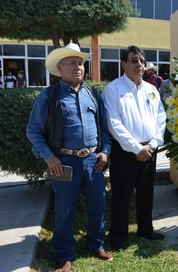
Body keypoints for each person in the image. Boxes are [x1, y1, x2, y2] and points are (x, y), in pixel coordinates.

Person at [26, 43, 113, 271]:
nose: (78, 67)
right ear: (60, 67)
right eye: (72, 63)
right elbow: (33, 131)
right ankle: (64, 255)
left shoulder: (93, 94)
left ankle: (97, 244)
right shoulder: (49, 96)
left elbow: (104, 127)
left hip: (93, 161)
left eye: (81, 63)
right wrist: (49, 157)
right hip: (63, 163)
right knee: (64, 209)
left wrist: (105, 152)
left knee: (98, 204)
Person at [102, 46, 167, 251]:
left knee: (146, 192)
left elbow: (160, 118)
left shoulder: (152, 89)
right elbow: (114, 124)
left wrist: (153, 144)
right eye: (133, 60)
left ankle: (145, 229)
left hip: (150, 149)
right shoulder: (113, 89)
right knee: (122, 194)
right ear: (123, 64)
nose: (139, 65)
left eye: (141, 60)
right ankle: (118, 236)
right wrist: (135, 148)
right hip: (125, 152)